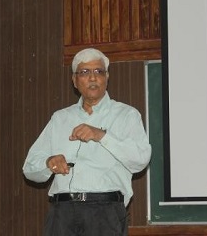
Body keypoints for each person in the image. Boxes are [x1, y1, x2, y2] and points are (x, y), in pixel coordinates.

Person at [22, 48, 152, 236]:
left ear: (107, 77)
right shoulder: (60, 118)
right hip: (62, 213)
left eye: (98, 71)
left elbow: (140, 160)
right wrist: (48, 163)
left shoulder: (127, 115)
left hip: (105, 212)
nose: (92, 78)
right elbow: (29, 169)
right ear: (74, 81)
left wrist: (101, 136)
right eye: (84, 72)